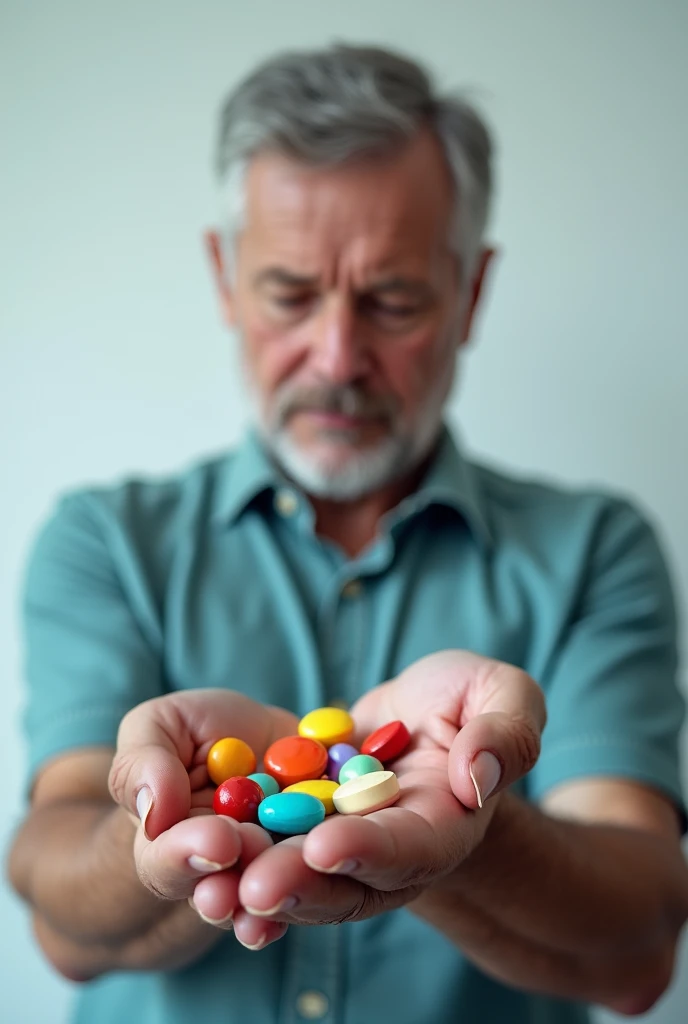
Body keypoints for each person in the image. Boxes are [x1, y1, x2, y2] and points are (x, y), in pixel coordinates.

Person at [7, 43, 688, 1024]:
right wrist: (169, 825)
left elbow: (637, 952)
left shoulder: (595, 550)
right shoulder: (103, 540)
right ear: (224, 276)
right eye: (289, 293)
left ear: (471, 294)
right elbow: (61, 921)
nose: (336, 355)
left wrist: (469, 826)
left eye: (392, 299)